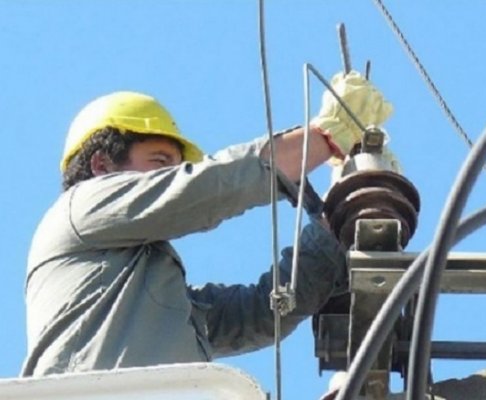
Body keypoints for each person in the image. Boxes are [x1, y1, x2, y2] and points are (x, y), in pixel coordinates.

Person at [21, 71, 392, 377]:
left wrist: (337, 222)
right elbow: (203, 189)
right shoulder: (79, 208)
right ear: (102, 166)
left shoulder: (153, 299)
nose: (170, 175)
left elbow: (259, 313)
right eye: (159, 161)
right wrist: (324, 138)